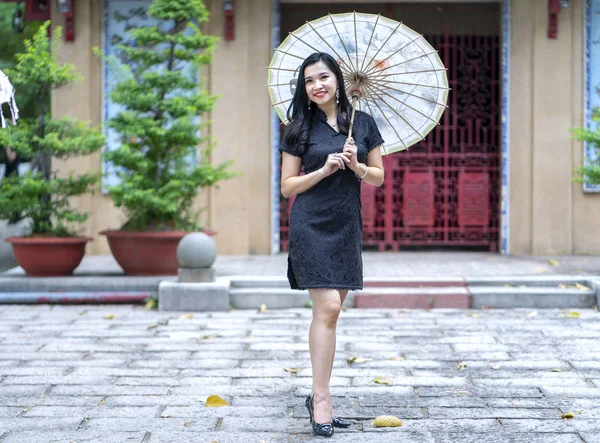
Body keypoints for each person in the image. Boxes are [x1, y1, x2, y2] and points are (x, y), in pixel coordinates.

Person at [279, 52, 385, 437]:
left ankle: (317, 394)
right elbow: (287, 187)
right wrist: (323, 169)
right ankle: (322, 399)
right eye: (309, 81)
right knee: (329, 306)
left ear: (338, 80)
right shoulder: (298, 128)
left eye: (323, 77)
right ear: (304, 89)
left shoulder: (363, 124)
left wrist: (356, 166)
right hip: (311, 222)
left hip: (345, 224)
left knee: (332, 313)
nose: (317, 85)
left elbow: (378, 178)